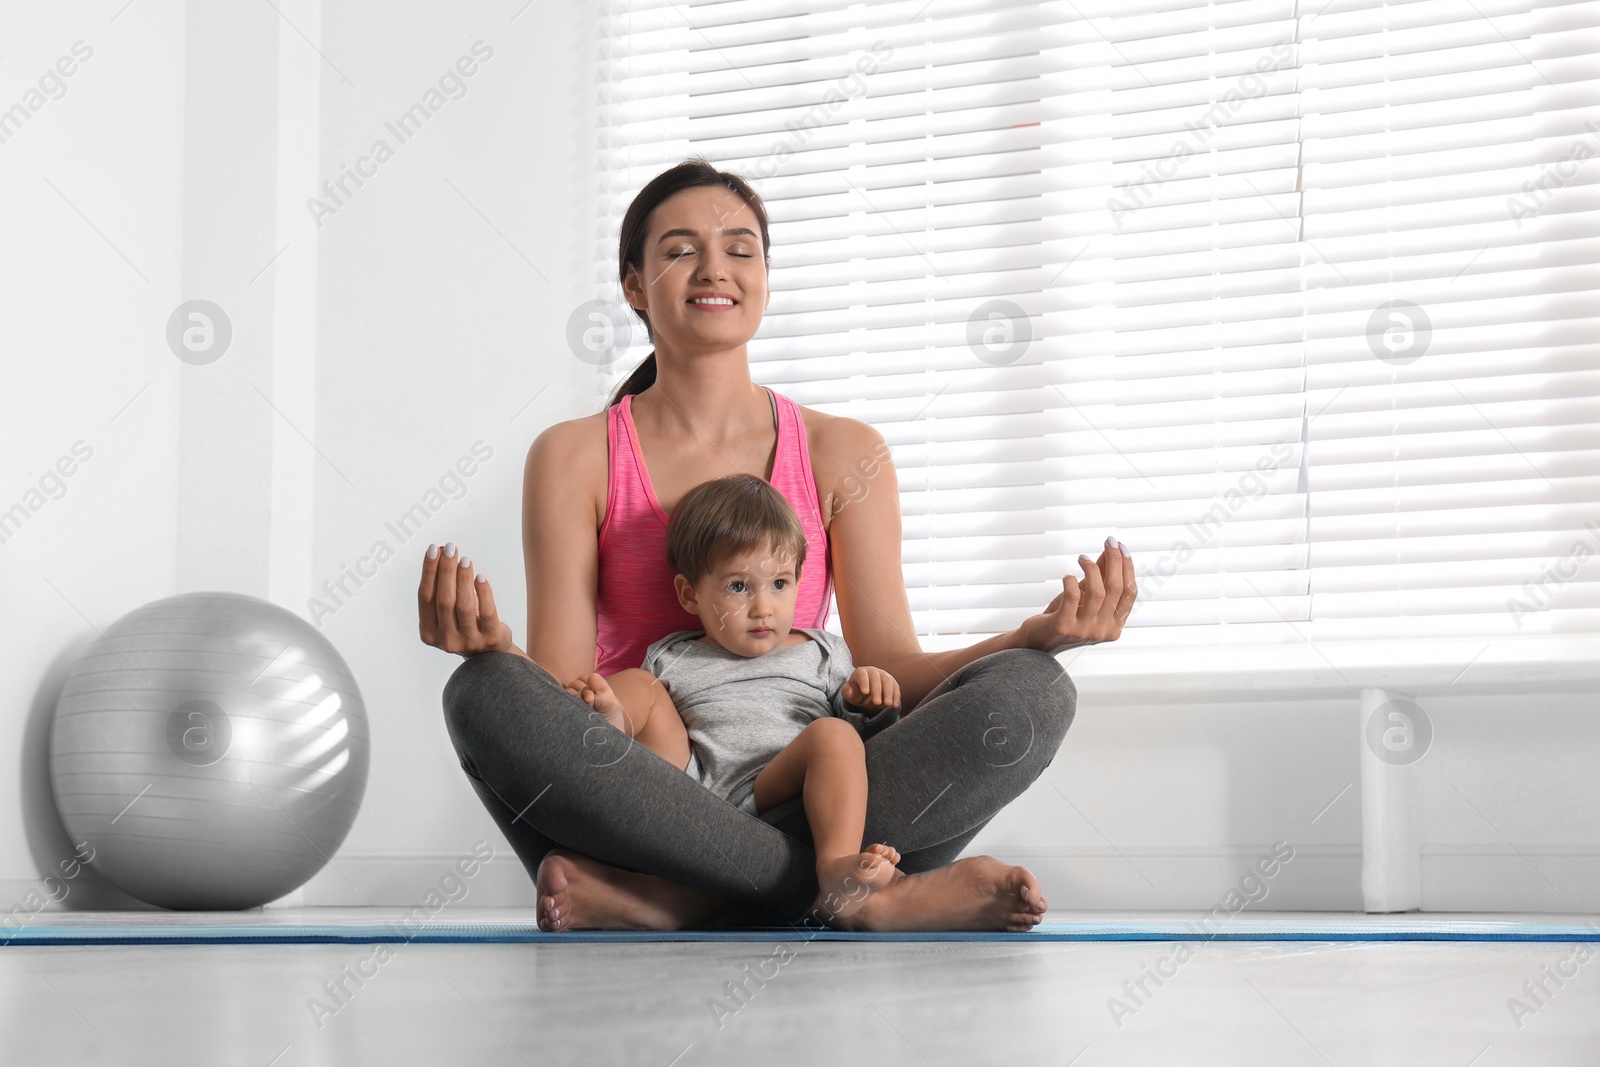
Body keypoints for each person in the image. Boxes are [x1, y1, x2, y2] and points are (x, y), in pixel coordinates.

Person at [421, 156, 1138, 932]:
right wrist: (495, 651)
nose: (712, 267)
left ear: (765, 275)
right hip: (649, 800)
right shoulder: (573, 454)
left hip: (822, 790)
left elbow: (893, 669)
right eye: (678, 249)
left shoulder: (844, 451)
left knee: (1033, 689)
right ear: (633, 286)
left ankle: (681, 900)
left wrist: (1036, 638)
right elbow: (571, 696)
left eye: (740, 247)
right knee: (484, 695)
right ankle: (832, 896)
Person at [564, 472, 1042, 931]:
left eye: (779, 583)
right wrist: (619, 703)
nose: (762, 607)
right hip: (696, 791)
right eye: (737, 586)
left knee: (833, 735)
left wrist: (867, 702)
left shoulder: (822, 651)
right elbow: (661, 730)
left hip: (779, 789)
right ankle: (609, 722)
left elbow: (866, 748)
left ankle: (835, 866)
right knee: (634, 684)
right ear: (690, 593)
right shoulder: (672, 654)